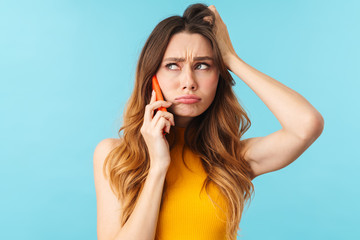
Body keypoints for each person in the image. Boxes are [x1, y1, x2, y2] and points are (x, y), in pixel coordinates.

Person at [93, 3, 324, 240]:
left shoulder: (232, 158)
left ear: (218, 77)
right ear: (151, 78)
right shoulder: (116, 157)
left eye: (202, 65)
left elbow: (306, 125)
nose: (188, 81)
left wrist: (231, 58)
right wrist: (158, 168)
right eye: (172, 65)